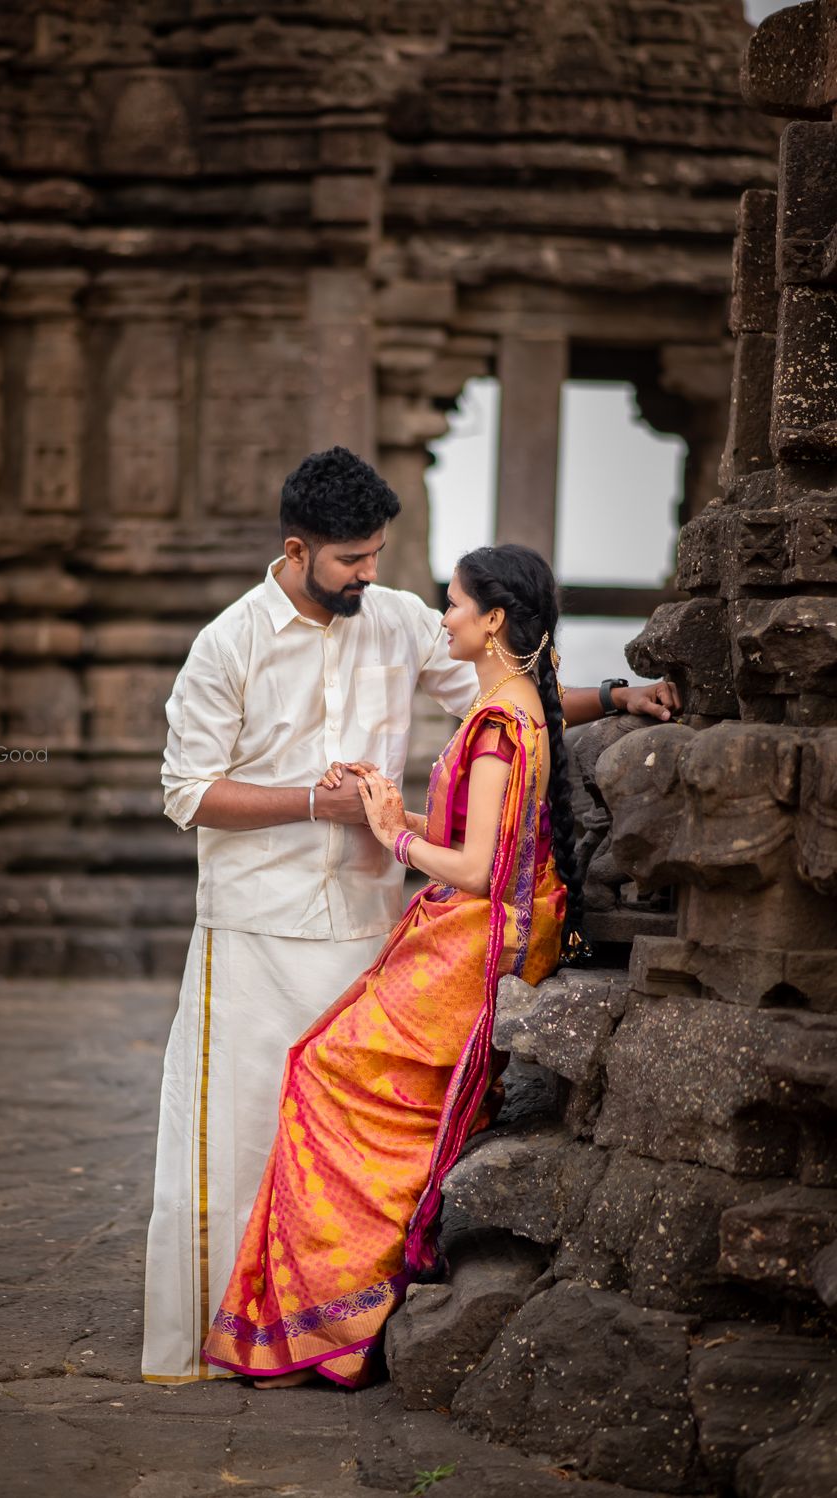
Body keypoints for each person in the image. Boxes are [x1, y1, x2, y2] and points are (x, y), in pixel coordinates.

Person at [142, 447, 679, 1384]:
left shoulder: (391, 621)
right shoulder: (230, 642)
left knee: (341, 1134)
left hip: (366, 919)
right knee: (241, 1135)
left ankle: (325, 1329)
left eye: (379, 555)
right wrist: (317, 802)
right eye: (353, 560)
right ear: (298, 549)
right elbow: (187, 792)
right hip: (256, 924)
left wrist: (617, 696)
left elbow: (510, 682)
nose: (372, 576)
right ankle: (218, 1335)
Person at [201, 542, 576, 1388]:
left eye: (453, 605)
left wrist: (393, 838)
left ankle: (333, 1314)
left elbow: (477, 869)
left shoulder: (499, 726)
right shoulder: (513, 709)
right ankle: (324, 1312)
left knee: (323, 1073)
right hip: (477, 927)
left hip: (475, 936)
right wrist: (389, 803)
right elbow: (483, 840)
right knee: (323, 1066)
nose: (440, 617)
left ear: (493, 623)